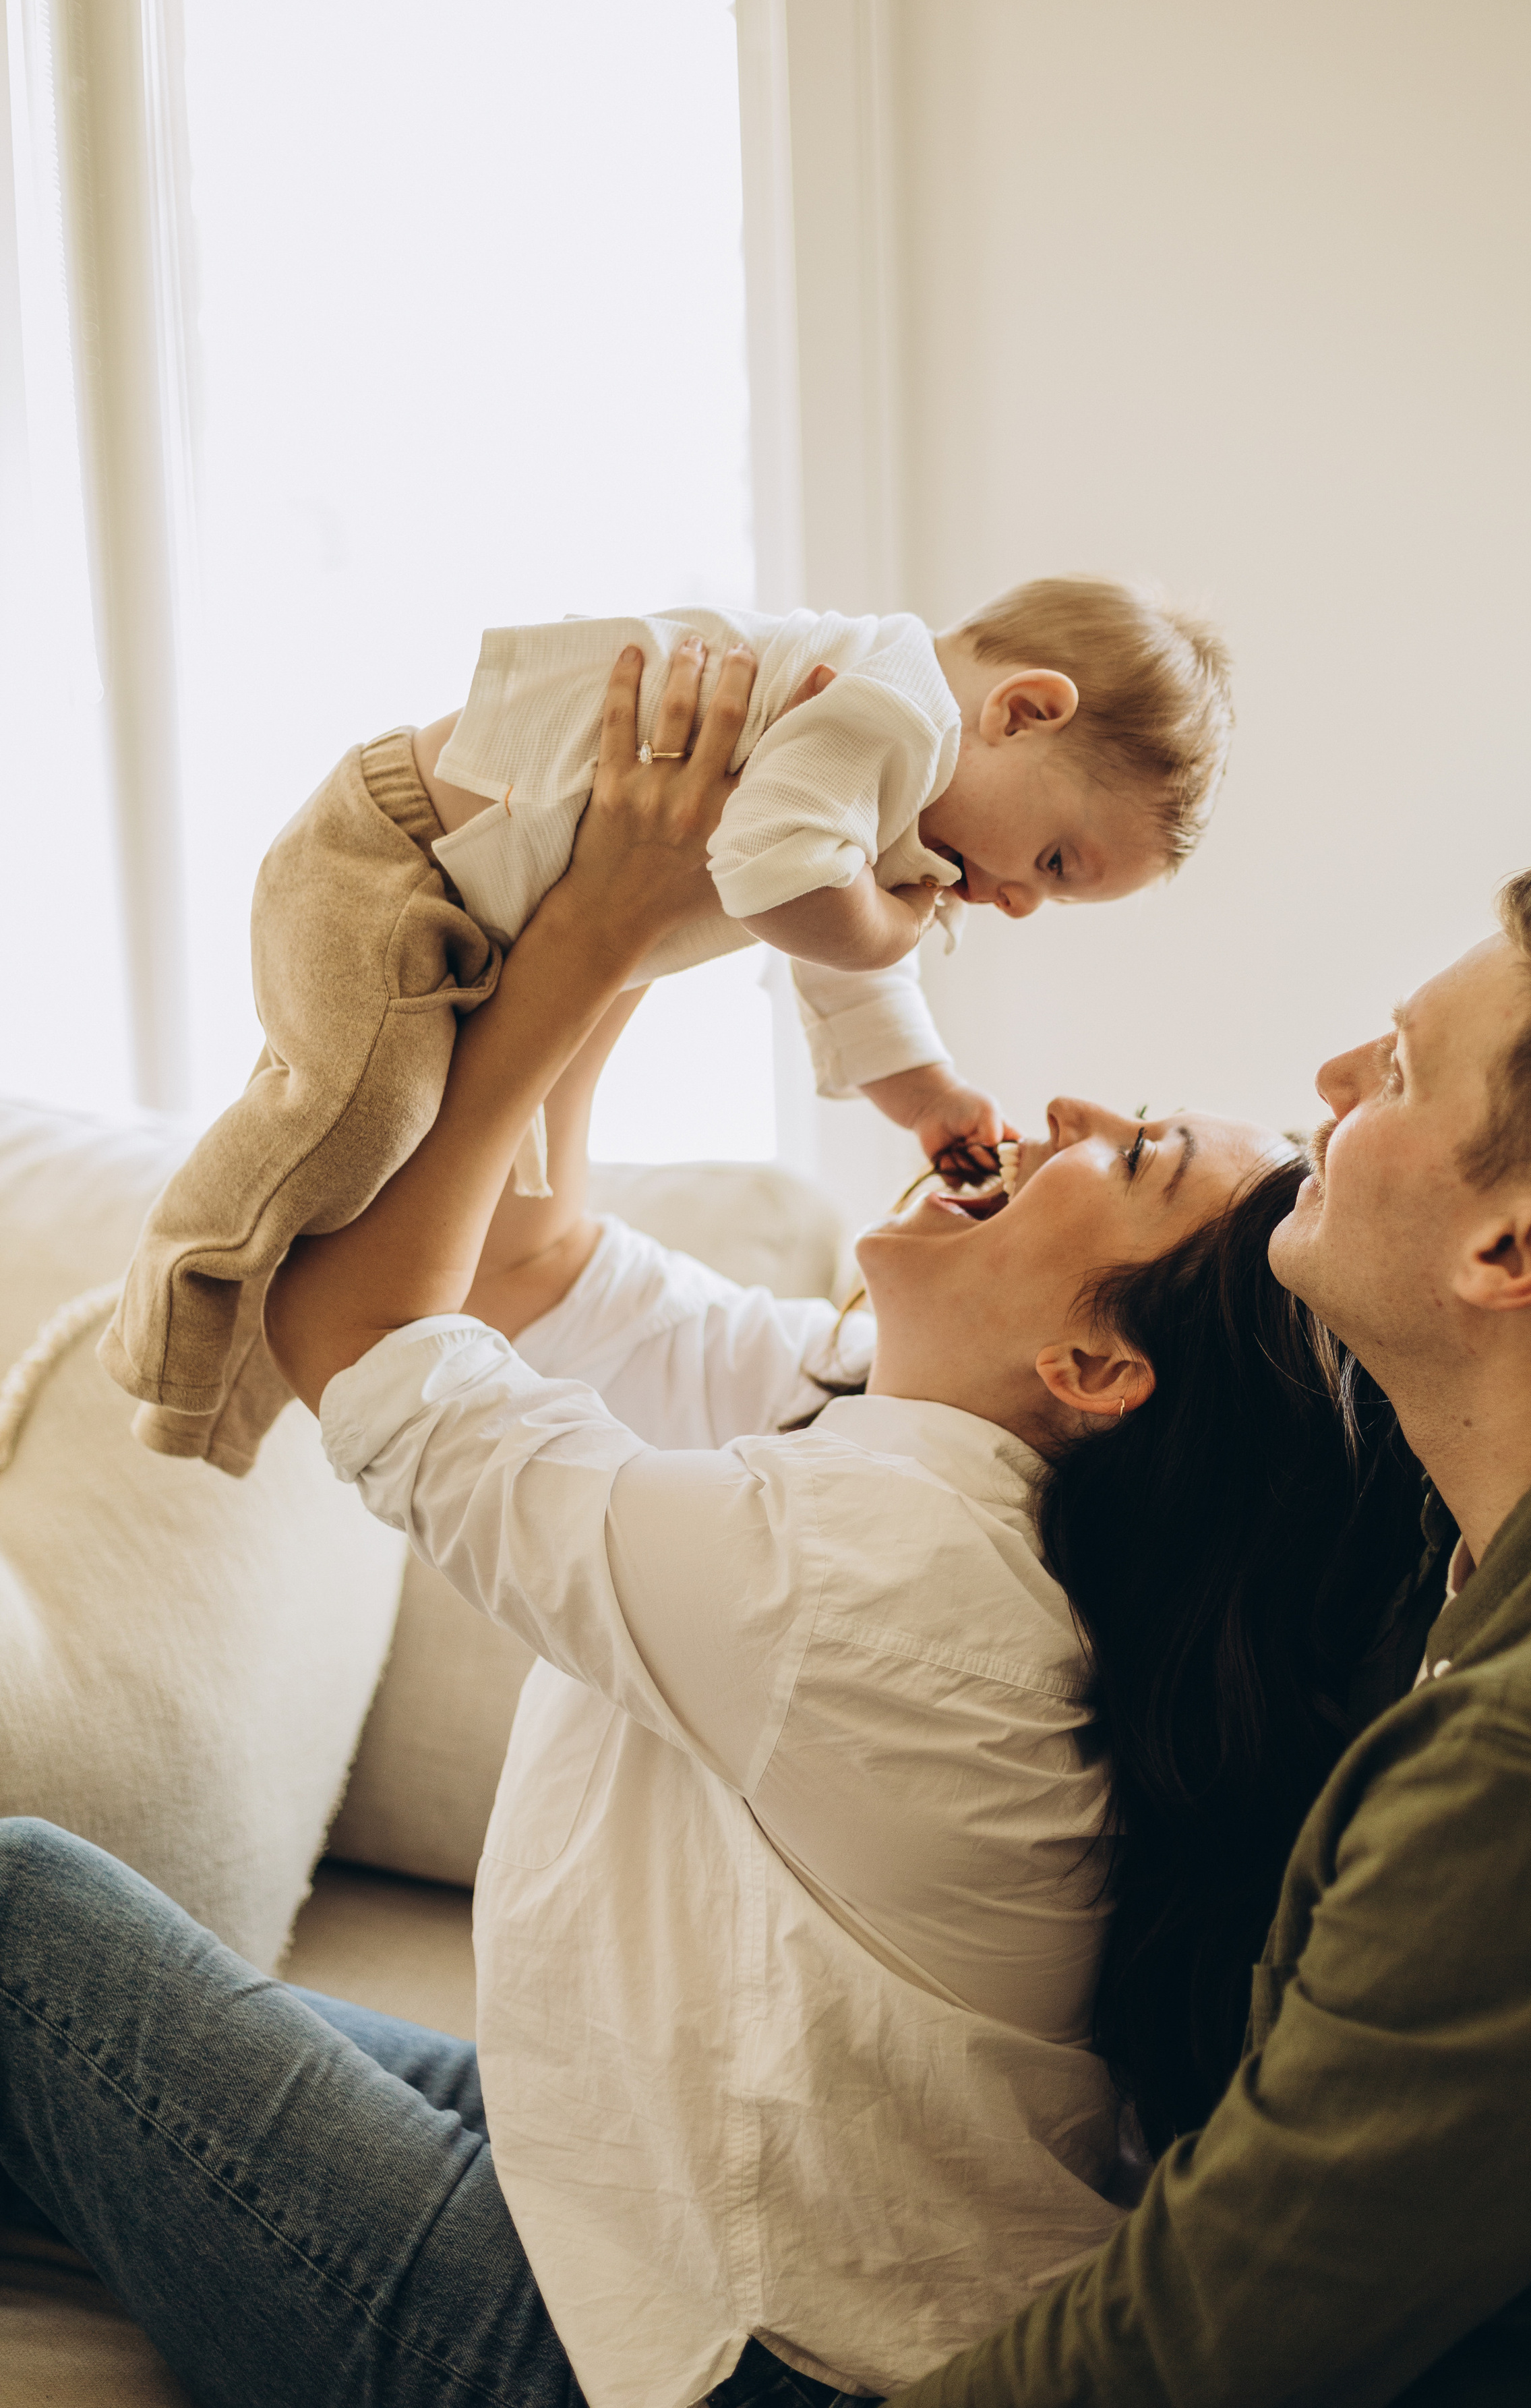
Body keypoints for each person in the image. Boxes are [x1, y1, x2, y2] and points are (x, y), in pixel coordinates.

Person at [0, 645, 1416, 2408]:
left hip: (739, 2364)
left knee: (24, 1921)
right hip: (652, 2191)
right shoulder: (900, 1419)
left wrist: (599, 928)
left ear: (1095, 1366)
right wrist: (647, 892)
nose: (1066, 1108)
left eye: (1126, 1156)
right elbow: (527, 1267)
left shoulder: (886, 1574)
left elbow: (351, 1328)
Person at [883, 853, 1531, 2408]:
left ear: (1511, 1253)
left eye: (1394, 1070)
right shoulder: (1473, 1507)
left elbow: (1185, 2355)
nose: (1325, 1083)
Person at [97, 577, 1231, 1474]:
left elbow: (821, 934)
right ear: (1023, 711)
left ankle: (218, 1357)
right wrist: (877, 930)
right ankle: (175, 1305)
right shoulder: (890, 707)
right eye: (1056, 862)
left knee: (369, 1150)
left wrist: (923, 1090)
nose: (1022, 903)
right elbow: (781, 881)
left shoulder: (891, 781)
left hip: (474, 909)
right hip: (392, 857)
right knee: (357, 1113)